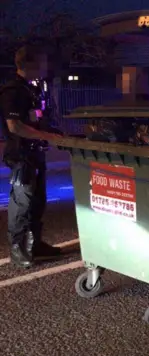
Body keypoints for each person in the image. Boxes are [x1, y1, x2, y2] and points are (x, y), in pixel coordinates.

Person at [0, 45, 63, 268]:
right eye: (42, 62)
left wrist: (51, 132)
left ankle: (35, 244)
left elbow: (35, 119)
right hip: (21, 156)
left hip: (36, 153)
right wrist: (46, 134)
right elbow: (14, 125)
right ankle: (17, 249)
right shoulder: (13, 91)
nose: (46, 67)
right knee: (22, 203)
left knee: (38, 201)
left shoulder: (31, 89)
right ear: (29, 64)